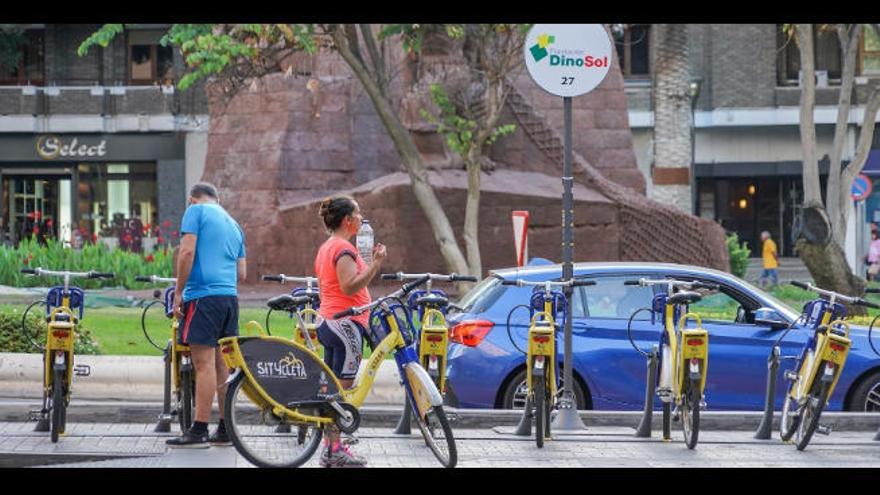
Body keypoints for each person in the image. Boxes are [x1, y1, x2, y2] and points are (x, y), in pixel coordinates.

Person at [167, 183, 246, 448]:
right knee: (222, 365)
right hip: (229, 299)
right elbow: (242, 273)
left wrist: (178, 291)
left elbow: (187, 251)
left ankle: (199, 429)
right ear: (218, 199)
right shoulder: (234, 225)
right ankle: (224, 429)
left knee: (203, 365)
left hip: (203, 297)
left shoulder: (196, 211)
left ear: (192, 199)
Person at [313, 196, 386, 467]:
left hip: (330, 323)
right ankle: (334, 451)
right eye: (358, 214)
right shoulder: (343, 248)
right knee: (342, 393)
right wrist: (377, 264)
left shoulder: (328, 247)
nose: (361, 218)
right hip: (344, 325)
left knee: (333, 391)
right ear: (348, 220)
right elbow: (349, 287)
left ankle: (332, 446)